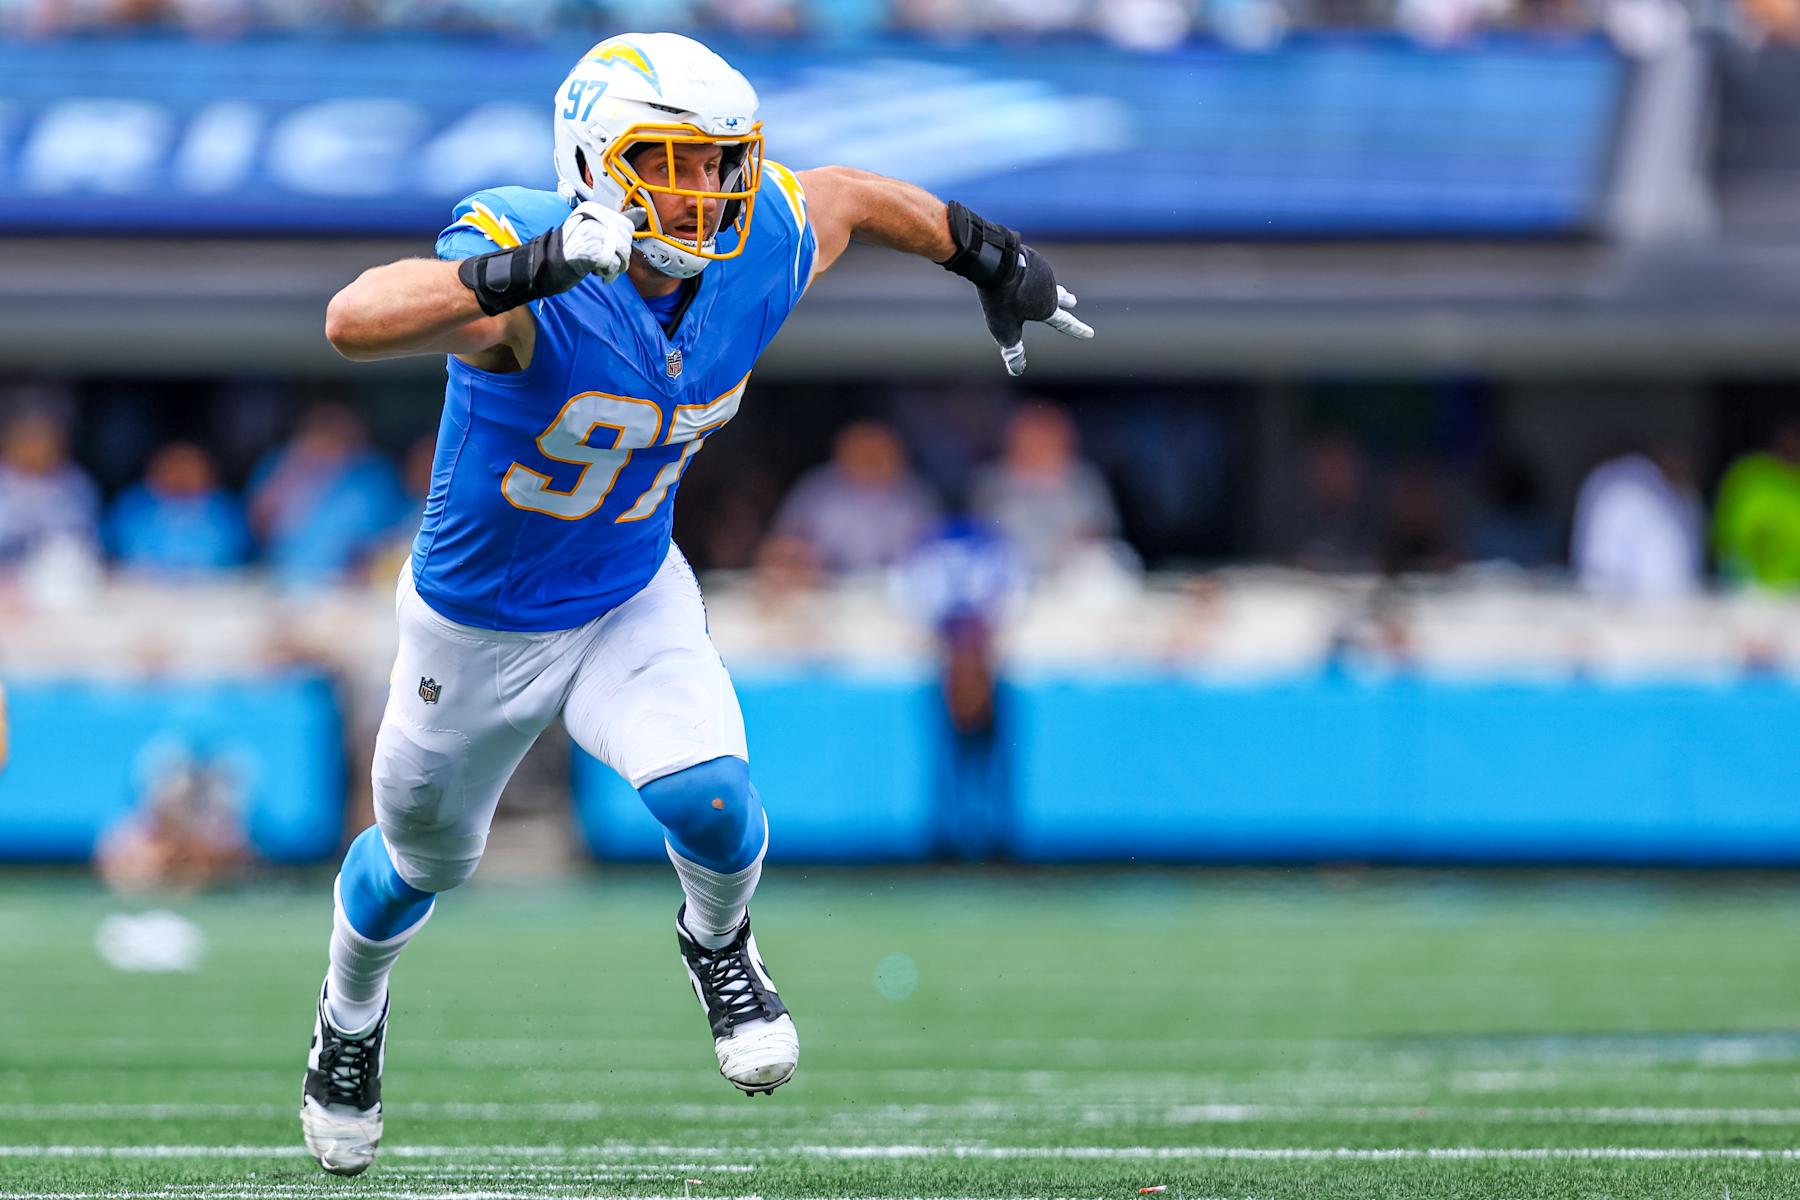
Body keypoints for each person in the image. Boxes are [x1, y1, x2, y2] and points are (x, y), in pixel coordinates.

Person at [303, 31, 1093, 1176]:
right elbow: (354, 317)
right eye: (671, 162)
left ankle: (719, 944)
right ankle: (348, 1015)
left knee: (712, 799)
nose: (705, 189)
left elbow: (852, 196)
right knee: (417, 864)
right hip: (476, 623)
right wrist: (535, 267)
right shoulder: (530, 253)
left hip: (628, 589)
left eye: (720, 161)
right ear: (594, 162)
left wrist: (988, 254)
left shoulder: (756, 243)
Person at [768, 419, 939, 575]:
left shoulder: (915, 494)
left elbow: (934, 553)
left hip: (894, 589)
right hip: (828, 589)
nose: (871, 461)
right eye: (862, 452)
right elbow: (783, 545)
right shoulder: (817, 490)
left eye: (879, 452)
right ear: (841, 453)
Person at [969, 403, 1119, 579]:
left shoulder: (1084, 479)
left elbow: (1102, 530)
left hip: (1075, 577)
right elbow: (981, 536)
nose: (1038, 444)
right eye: (1030, 437)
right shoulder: (990, 482)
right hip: (1011, 578)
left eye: (1046, 436)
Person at [107, 442, 251, 577]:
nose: (182, 474)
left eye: (189, 467)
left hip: (215, 588)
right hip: (139, 588)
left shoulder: (226, 511)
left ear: (208, 473)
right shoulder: (133, 505)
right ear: (155, 471)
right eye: (174, 466)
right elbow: (115, 551)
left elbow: (239, 556)